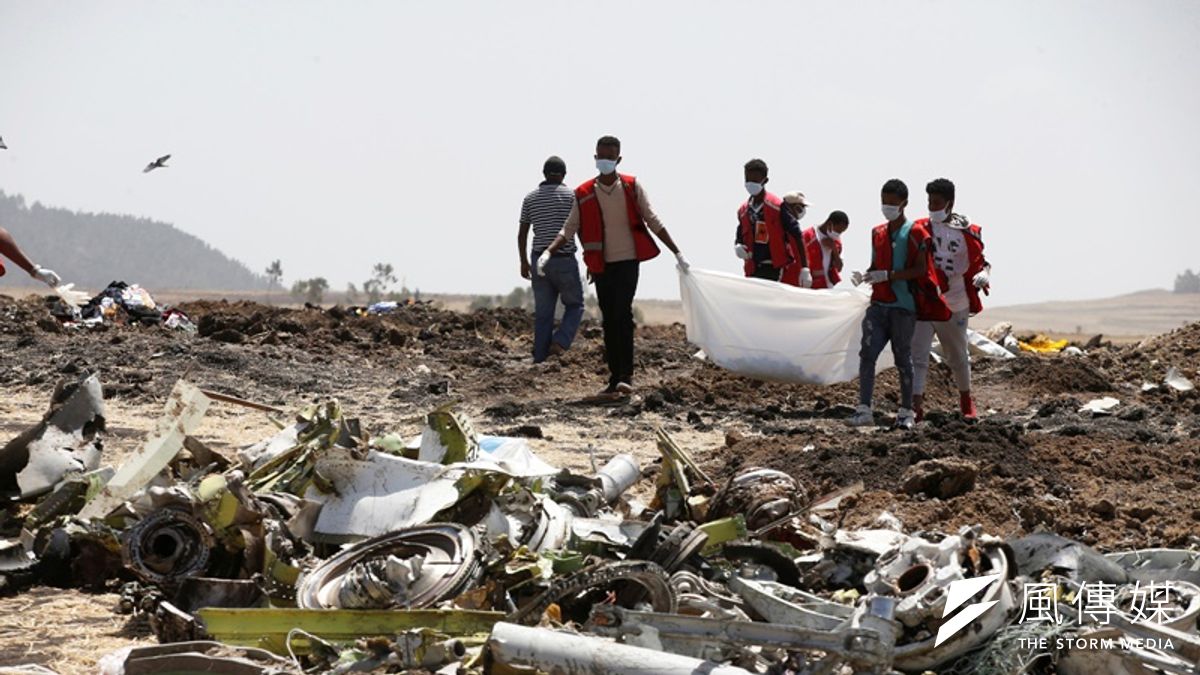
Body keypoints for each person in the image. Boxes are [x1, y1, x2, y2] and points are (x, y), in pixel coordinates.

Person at [539, 135, 688, 398]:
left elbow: (652, 219)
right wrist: (548, 252)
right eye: (601, 156)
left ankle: (625, 376)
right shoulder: (584, 192)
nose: (604, 161)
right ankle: (614, 377)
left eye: (610, 157)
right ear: (595, 158)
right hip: (602, 265)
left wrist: (677, 252)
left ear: (618, 159)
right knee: (609, 320)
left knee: (623, 314)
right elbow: (570, 227)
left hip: (628, 262)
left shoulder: (631, 186)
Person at [849, 179, 950, 429]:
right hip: (879, 303)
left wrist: (889, 275)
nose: (887, 207)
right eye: (884, 202)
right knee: (867, 354)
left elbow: (919, 269)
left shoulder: (916, 233)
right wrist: (866, 275)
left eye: (892, 203)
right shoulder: (878, 233)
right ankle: (864, 409)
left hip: (903, 307)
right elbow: (876, 265)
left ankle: (906, 412)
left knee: (903, 358)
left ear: (904, 204)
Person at [911, 178, 991, 421]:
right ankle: (916, 405)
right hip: (925, 300)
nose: (932, 207)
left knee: (957, 354)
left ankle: (967, 401)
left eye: (937, 202)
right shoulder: (918, 228)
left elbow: (982, 261)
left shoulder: (969, 232)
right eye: (929, 202)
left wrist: (983, 274)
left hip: (955, 300)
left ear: (950, 203)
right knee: (918, 354)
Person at [518, 156, 584, 363]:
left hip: (539, 260)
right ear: (564, 175)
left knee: (543, 314)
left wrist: (523, 261)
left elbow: (522, 233)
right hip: (564, 258)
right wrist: (589, 257)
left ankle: (539, 358)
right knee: (575, 305)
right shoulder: (573, 197)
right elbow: (580, 229)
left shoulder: (530, 198)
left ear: (544, 173)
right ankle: (560, 342)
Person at [733, 160, 809, 286]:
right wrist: (738, 246)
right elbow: (740, 235)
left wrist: (804, 268)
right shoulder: (743, 211)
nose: (750, 184)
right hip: (752, 268)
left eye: (755, 180)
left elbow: (797, 235)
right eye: (748, 180)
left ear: (765, 180)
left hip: (772, 267)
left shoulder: (777, 207)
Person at [788, 205, 848, 289]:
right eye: (838, 231)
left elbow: (839, 267)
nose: (838, 234)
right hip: (809, 286)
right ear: (829, 223)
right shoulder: (808, 236)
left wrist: (833, 248)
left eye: (841, 232)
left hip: (827, 288)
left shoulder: (836, 241)